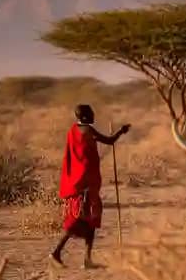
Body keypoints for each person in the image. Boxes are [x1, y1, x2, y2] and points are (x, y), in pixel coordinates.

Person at [50, 105, 130, 269]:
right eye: (91, 113)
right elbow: (109, 141)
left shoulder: (73, 130)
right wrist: (121, 131)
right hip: (85, 182)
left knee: (89, 221)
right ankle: (57, 252)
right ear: (86, 116)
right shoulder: (88, 130)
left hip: (78, 181)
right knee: (79, 220)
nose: (94, 115)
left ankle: (86, 259)